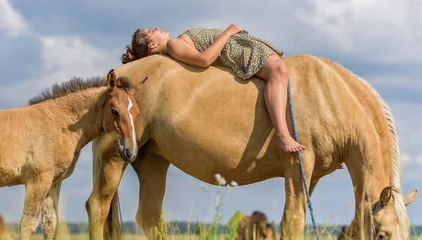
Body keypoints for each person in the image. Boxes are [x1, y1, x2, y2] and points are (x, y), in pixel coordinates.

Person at [121, 25, 305, 154]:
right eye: (150, 32)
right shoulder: (173, 45)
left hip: (241, 46)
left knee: (284, 77)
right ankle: (282, 134)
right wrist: (229, 32)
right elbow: (204, 60)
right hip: (237, 50)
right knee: (278, 71)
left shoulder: (175, 44)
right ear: (153, 45)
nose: (155, 28)